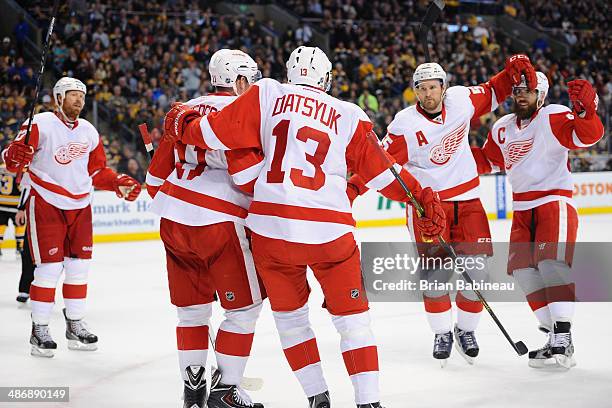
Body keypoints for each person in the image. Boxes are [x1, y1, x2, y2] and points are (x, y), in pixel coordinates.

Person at [163, 45, 446, 408]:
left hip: (272, 231)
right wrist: (419, 197)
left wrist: (181, 123)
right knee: (353, 323)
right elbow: (381, 171)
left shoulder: (267, 92)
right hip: (329, 231)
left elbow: (214, 133)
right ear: (326, 80)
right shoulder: (349, 113)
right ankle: (368, 402)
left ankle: (318, 398)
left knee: (292, 321)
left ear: (288, 74)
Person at [348, 56, 537, 366]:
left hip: (469, 199)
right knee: (436, 275)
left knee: (476, 271)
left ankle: (465, 330)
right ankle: (441, 333)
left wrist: (512, 70)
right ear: (414, 92)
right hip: (427, 206)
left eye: (433, 87)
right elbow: (379, 163)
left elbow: (492, 90)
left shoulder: (462, 100)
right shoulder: (405, 124)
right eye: (421, 89)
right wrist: (354, 188)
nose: (428, 94)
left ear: (444, 87)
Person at [146, 49, 265, 408]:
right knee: (244, 310)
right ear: (240, 78)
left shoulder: (181, 110)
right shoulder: (241, 112)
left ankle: (193, 392)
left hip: (173, 219)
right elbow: (246, 179)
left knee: (192, 312)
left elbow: (154, 179)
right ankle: (226, 390)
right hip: (219, 222)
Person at [471, 73, 604, 369]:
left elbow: (586, 136)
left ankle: (563, 335)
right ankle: (555, 336)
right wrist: (455, 148)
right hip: (522, 209)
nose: (521, 95)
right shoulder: (502, 127)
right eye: (517, 90)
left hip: (553, 202)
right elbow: (489, 161)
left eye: (528, 91)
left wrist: (586, 111)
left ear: (541, 96)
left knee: (550, 264)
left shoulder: (552, 116)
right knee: (522, 271)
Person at [1, 77, 141, 358]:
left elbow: (97, 171)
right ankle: (39, 328)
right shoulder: (39, 124)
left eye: (82, 95)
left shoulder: (89, 130)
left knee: (79, 267)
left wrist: (117, 182)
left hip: (81, 205)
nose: (79, 99)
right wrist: (16, 154)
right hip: (46, 202)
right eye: (72, 95)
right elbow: (11, 161)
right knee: (49, 269)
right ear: (58, 98)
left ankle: (74, 322)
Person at [0, 162, 25, 256]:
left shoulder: (1, 168)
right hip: (15, 205)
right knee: (20, 226)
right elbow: (22, 187)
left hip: (1, 203)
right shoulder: (20, 170)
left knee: (1, 226)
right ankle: (19, 247)